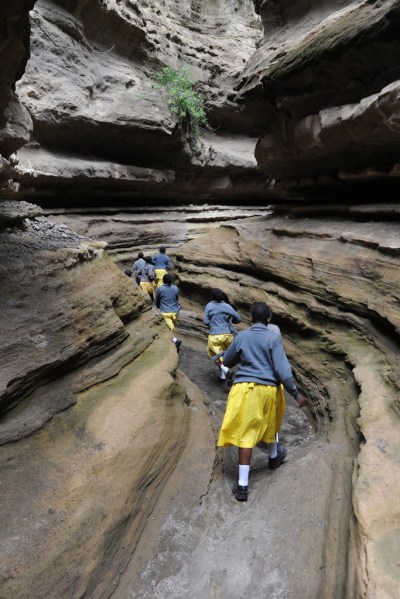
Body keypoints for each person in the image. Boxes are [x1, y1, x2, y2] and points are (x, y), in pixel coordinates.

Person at [217, 302, 306, 502]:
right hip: (269, 389)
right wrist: (296, 394)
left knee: (246, 434)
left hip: (244, 389)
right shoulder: (273, 338)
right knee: (272, 422)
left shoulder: (241, 336)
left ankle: (242, 485)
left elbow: (228, 362)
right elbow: (283, 371)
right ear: (268, 319)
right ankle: (273, 458)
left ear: (250, 318)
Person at [203, 288, 241, 383]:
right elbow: (238, 319)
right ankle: (222, 377)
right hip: (228, 336)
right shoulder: (227, 306)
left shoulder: (209, 305)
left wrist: (211, 325)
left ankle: (226, 370)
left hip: (215, 335)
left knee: (213, 354)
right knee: (224, 356)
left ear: (212, 297)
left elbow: (206, 321)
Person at [155, 274, 182, 352]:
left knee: (168, 329)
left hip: (165, 312)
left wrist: (158, 306)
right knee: (172, 327)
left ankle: (175, 340)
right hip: (175, 311)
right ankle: (173, 340)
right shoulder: (175, 288)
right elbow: (177, 299)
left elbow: (157, 299)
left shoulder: (160, 289)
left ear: (163, 280)